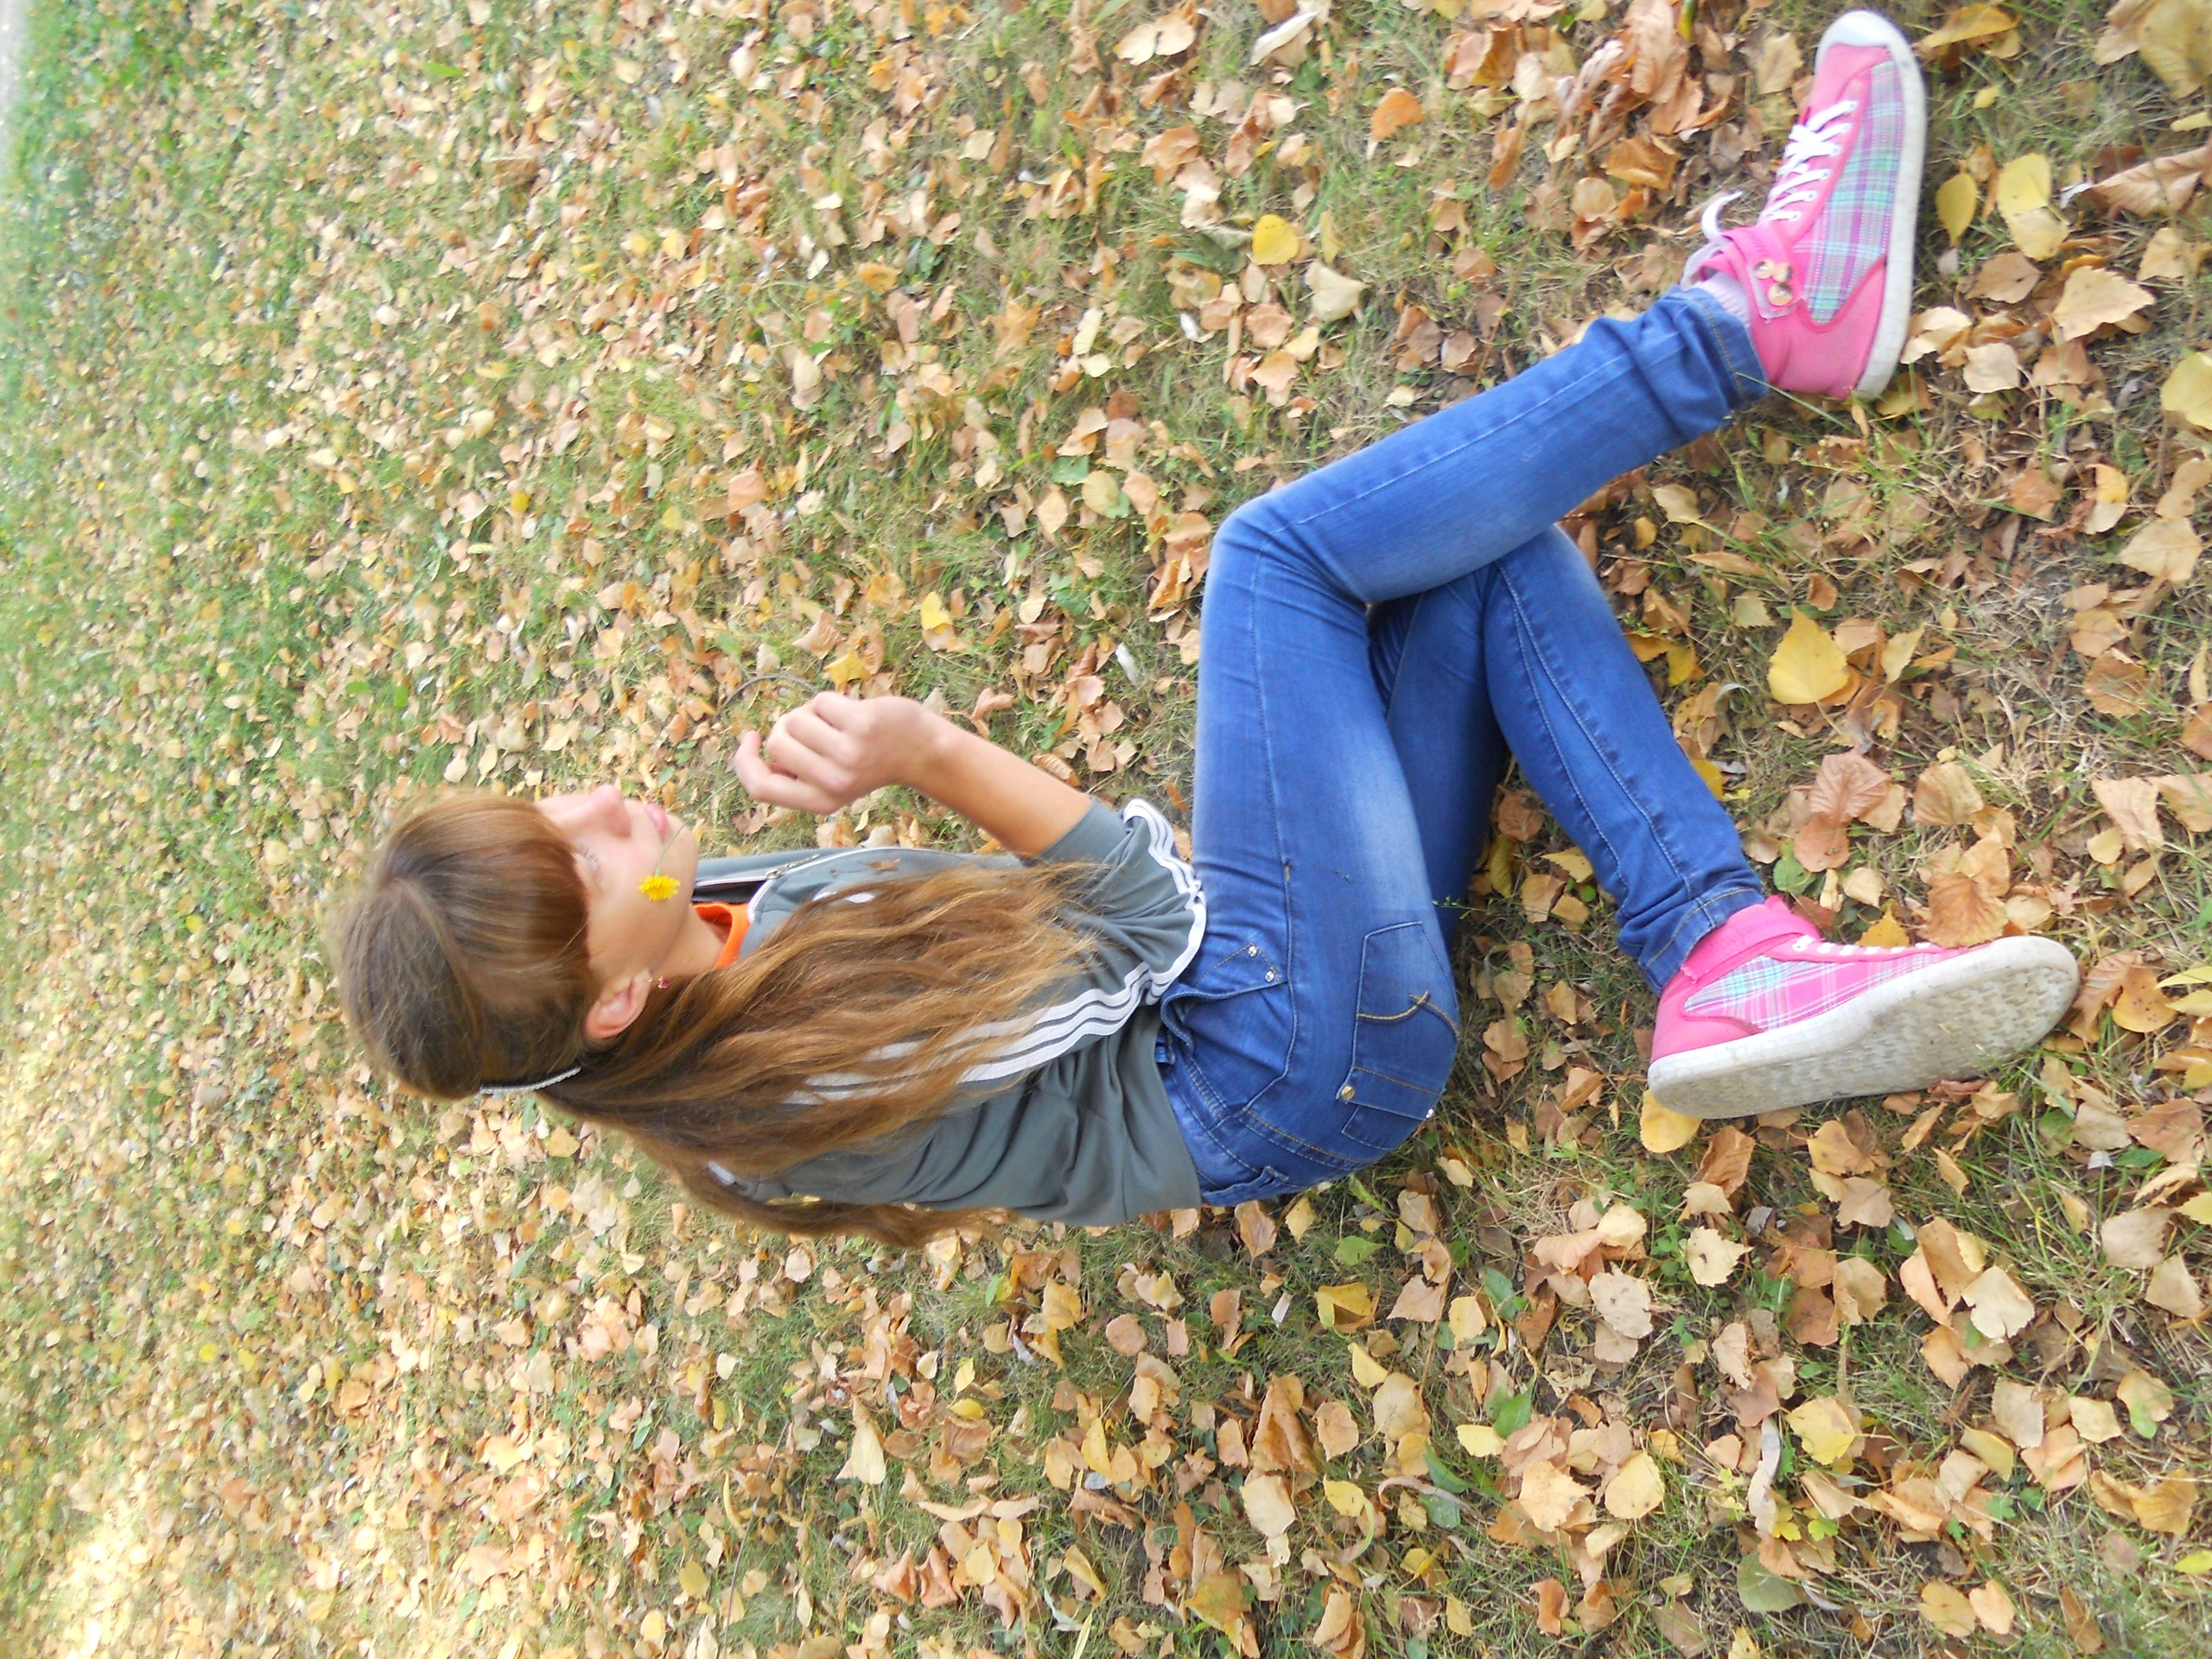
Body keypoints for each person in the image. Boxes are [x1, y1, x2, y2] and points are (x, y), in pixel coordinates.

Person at [336, 11, 2079, 1243]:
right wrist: (933, 752)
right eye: (581, 863)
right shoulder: (797, 1075)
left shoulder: (687, 933)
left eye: (553, 812)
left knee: (1480, 560)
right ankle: (1760, 322)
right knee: (1274, 562)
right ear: (613, 1010)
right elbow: (1156, 925)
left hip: (1265, 997)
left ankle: (1718, 953)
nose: (603, 813)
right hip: (1295, 1057)